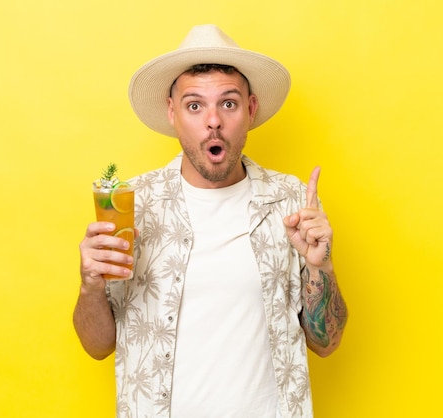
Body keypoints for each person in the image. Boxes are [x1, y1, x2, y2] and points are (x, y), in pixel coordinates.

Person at [73, 24, 348, 418]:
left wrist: (321, 266)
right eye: (195, 105)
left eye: (229, 104)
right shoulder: (133, 205)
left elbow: (327, 343)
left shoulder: (291, 201)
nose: (213, 121)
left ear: (251, 109)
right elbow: (97, 346)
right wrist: (90, 286)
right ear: (172, 112)